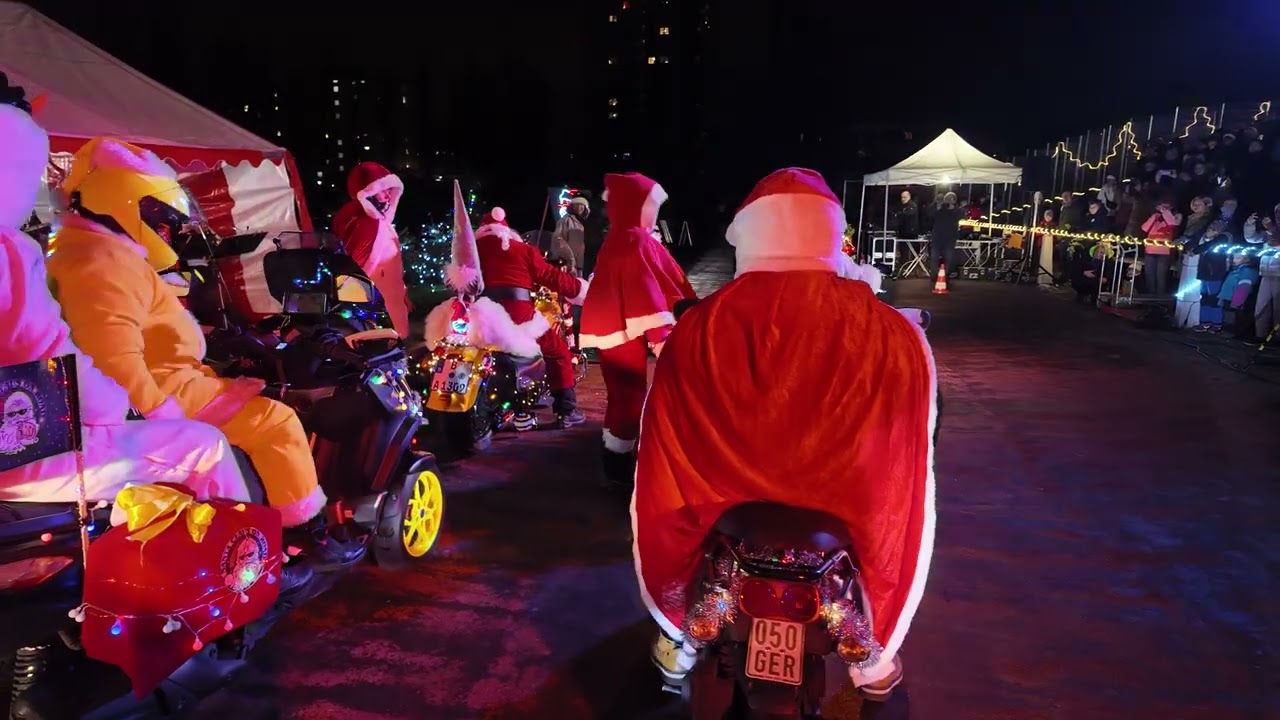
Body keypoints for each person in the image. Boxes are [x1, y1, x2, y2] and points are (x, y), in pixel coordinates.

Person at [636, 168, 936, 701]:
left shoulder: (699, 327)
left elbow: (665, 432)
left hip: (726, 498)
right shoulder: (892, 331)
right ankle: (872, 661)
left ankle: (679, 637)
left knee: (680, 535)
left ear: (750, 235)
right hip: (841, 503)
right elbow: (909, 435)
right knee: (883, 524)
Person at [43, 138, 359, 567]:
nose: (167, 234)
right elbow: (113, 362)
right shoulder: (102, 260)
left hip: (163, 386)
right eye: (160, 223)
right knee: (278, 420)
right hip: (158, 399)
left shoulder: (86, 251)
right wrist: (168, 424)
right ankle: (302, 535)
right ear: (123, 203)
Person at [0, 93, 262, 514]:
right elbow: (52, 353)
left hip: (24, 437)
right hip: (21, 455)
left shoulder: (69, 250)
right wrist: (119, 407)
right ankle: (243, 569)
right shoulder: (15, 252)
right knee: (205, 446)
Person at [579, 173, 696, 486]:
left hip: (615, 328)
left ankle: (615, 455)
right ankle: (619, 465)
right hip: (626, 329)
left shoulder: (622, 237)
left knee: (623, 393)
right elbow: (642, 287)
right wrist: (660, 335)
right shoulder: (635, 239)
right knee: (630, 394)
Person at [433, 204, 589, 426]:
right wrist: (579, 289)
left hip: (476, 316)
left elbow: (455, 283)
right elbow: (551, 276)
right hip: (517, 316)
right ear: (506, 231)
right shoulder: (522, 250)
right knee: (559, 352)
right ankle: (566, 411)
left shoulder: (469, 251)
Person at [331, 161, 411, 338]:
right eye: (382, 191)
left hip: (386, 303)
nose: (387, 196)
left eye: (389, 190)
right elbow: (354, 267)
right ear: (368, 194)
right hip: (373, 306)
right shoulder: (366, 224)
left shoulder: (383, 224)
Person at [1140, 198, 1182, 296]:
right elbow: (1144, 228)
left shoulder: (1175, 216)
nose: (1163, 207)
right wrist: (1154, 217)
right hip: (1150, 250)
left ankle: (1160, 299)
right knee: (1149, 275)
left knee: (1161, 276)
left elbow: (1173, 224)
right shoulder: (1156, 217)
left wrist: (1164, 212)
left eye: (1166, 206)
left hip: (1164, 252)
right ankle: (1150, 297)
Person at [551, 196, 589, 276]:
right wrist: (570, 259)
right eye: (576, 204)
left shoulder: (587, 223)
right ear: (572, 207)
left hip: (585, 265)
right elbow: (559, 239)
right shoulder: (566, 220)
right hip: (571, 265)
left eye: (582, 205)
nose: (579, 207)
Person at [929, 191, 961, 281]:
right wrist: (937, 206)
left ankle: (946, 275)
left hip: (950, 238)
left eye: (951, 199)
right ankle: (934, 276)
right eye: (947, 199)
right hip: (937, 237)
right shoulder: (939, 209)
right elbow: (930, 216)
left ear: (954, 201)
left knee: (949, 257)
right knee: (934, 257)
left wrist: (953, 208)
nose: (948, 201)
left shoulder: (957, 211)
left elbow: (961, 216)